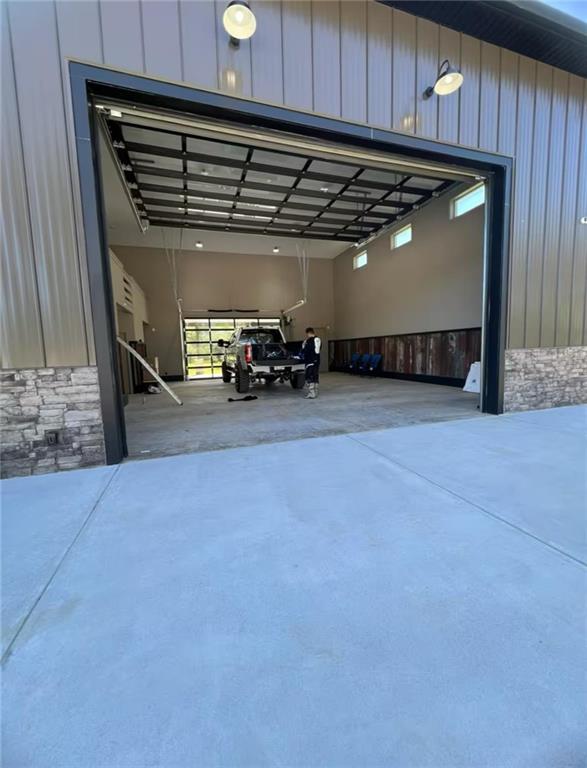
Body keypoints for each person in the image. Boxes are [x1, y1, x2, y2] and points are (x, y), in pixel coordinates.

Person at [301, 327, 321, 399]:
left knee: (309, 376)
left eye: (307, 334)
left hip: (310, 361)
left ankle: (311, 393)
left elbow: (305, 350)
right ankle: (316, 392)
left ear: (308, 333)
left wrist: (303, 345)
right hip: (317, 361)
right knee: (315, 375)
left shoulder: (309, 341)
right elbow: (317, 350)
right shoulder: (318, 339)